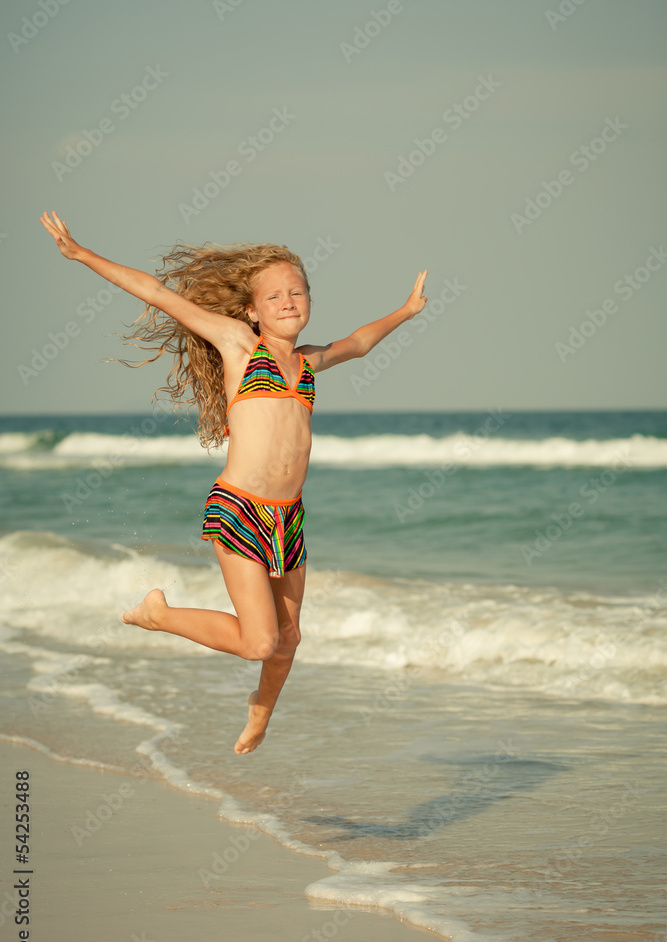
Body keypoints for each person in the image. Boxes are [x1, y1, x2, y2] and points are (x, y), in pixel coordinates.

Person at [40, 210, 428, 754]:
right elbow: (156, 293)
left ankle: (260, 710)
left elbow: (360, 342)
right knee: (259, 640)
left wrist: (407, 312)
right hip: (240, 507)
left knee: (289, 639)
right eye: (274, 296)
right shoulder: (240, 347)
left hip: (287, 517)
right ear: (251, 311)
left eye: (298, 291)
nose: (289, 301)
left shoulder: (310, 363)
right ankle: (160, 615)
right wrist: (83, 255)